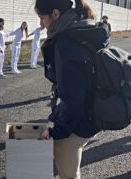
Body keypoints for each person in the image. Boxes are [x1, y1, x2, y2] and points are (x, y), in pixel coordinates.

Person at [35, 0, 106, 178]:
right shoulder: (83, 30)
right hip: (92, 115)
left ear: (56, 14)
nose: (41, 24)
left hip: (78, 123)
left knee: (68, 176)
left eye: (42, 17)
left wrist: (55, 132)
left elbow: (73, 100)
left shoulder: (66, 44)